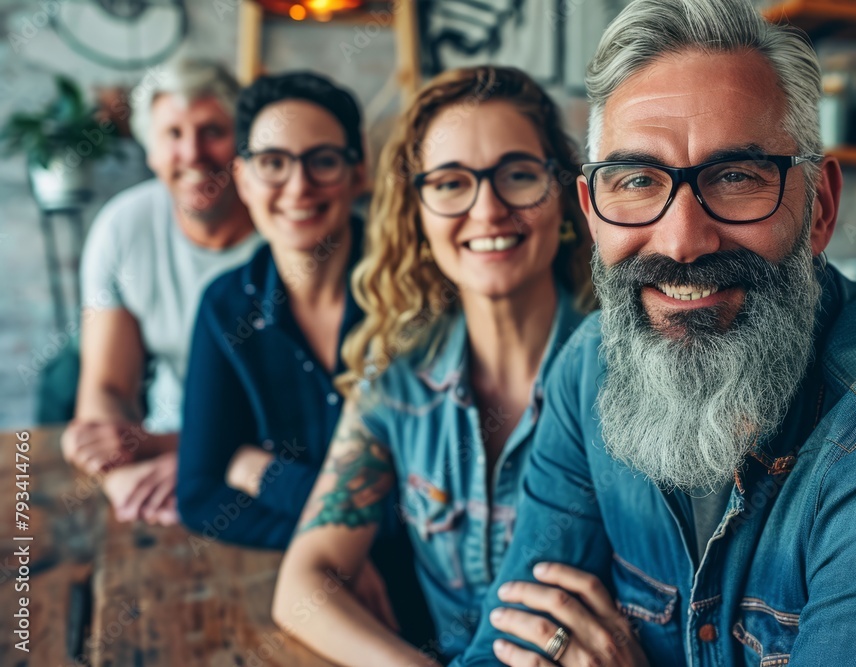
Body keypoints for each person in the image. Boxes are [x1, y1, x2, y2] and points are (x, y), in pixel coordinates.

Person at [454, 1, 856, 666]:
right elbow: (500, 649)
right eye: (635, 179)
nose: (683, 240)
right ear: (592, 212)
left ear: (820, 206)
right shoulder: (586, 370)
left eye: (737, 176)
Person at [272, 66, 596, 666]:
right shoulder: (396, 382)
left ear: (565, 197)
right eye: (451, 183)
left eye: (519, 176)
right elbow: (302, 585)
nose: (488, 209)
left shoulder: (622, 375)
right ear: (417, 214)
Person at [61, 60, 261, 525]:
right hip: (158, 464)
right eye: (173, 134)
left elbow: (304, 412)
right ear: (150, 151)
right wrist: (117, 478)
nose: (192, 153)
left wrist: (193, 458)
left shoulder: (284, 231)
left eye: (213, 130)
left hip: (265, 462)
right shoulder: (122, 228)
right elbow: (107, 387)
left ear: (243, 142)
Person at [176, 72, 367, 548]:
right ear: (242, 179)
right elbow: (200, 496)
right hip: (304, 579)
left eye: (322, 161)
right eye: (273, 163)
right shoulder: (224, 306)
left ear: (357, 174)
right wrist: (326, 553)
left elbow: (420, 500)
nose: (298, 186)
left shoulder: (409, 294)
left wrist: (264, 474)